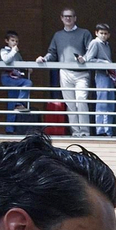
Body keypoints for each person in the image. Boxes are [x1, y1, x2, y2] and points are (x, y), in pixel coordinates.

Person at [40, 8, 94, 138]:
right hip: (64, 72)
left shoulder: (84, 33)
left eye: (70, 16)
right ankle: (75, 133)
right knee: (70, 104)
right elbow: (52, 53)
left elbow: (91, 51)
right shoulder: (58, 35)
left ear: (75, 18)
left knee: (81, 100)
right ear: (61, 18)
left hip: (82, 73)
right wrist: (44, 59)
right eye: (65, 16)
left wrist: (84, 59)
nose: (68, 18)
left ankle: (85, 133)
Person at [84, 24, 116, 137]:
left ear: (109, 35)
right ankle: (101, 130)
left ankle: (109, 129)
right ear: (96, 33)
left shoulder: (107, 45)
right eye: (101, 33)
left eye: (105, 33)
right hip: (101, 74)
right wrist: (104, 63)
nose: (103, 35)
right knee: (102, 102)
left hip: (109, 75)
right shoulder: (95, 43)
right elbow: (89, 59)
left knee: (110, 103)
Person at [0, 31, 33, 134]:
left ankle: (9, 130)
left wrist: (27, 67)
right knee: (27, 83)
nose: (15, 43)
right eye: (12, 40)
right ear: (7, 41)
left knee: (11, 104)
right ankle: (19, 103)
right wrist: (13, 51)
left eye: (16, 41)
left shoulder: (17, 53)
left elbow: (20, 63)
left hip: (16, 79)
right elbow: (6, 60)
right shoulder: (4, 51)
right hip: (8, 78)